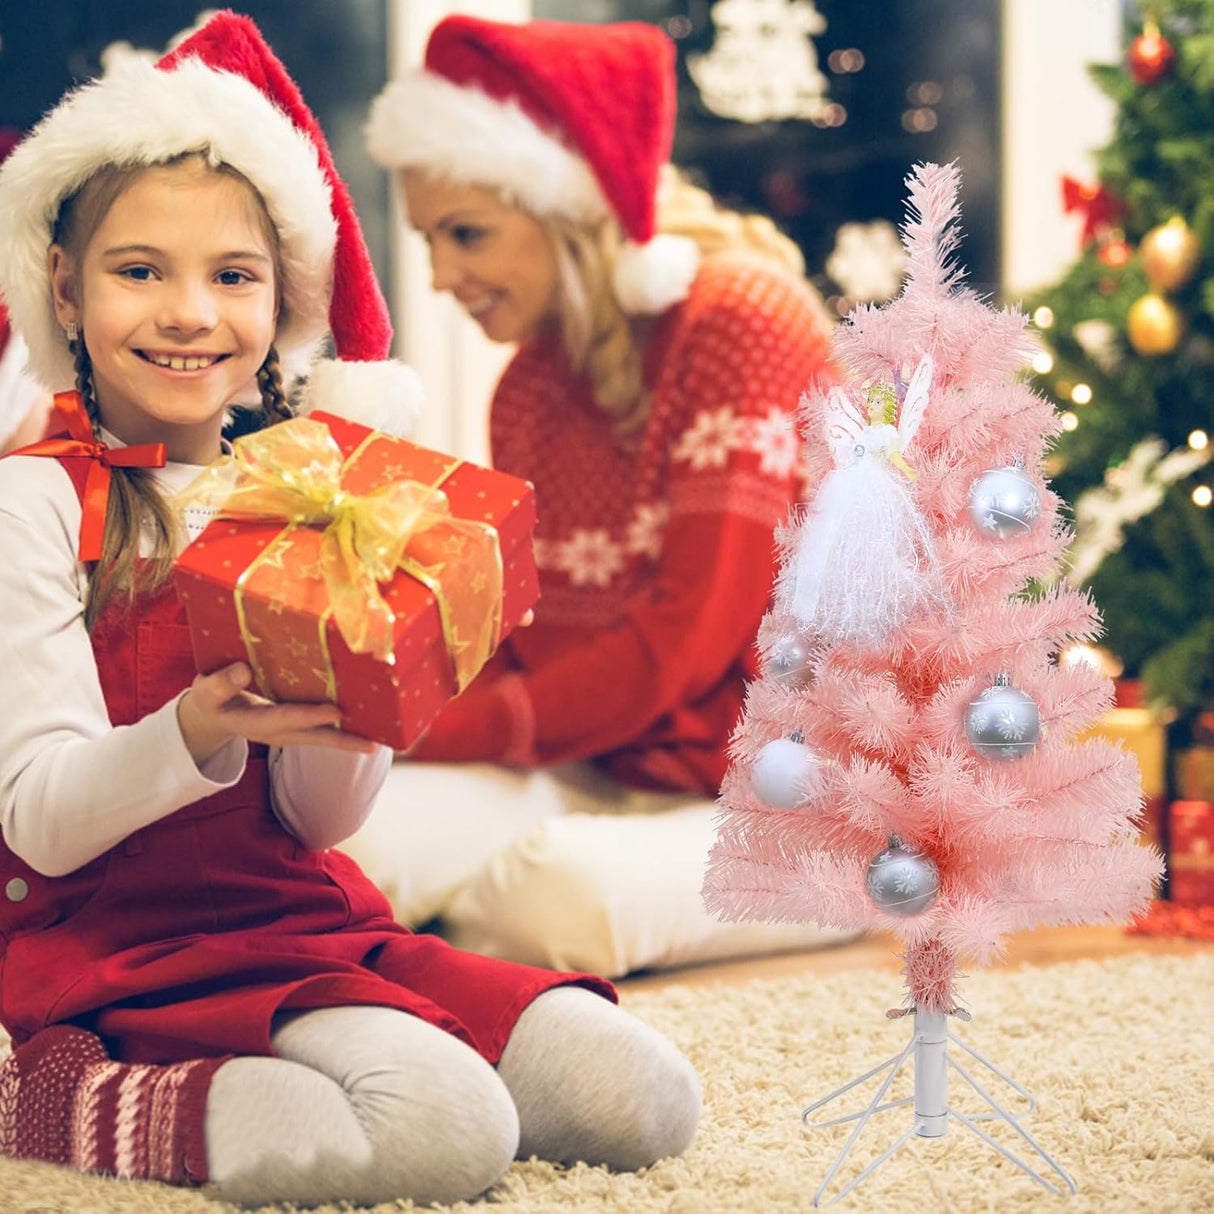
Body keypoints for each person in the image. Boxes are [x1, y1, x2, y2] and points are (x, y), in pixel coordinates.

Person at [0, 13, 699, 1207]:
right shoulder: (32, 497)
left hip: (298, 915)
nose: (189, 314)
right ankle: (49, 1088)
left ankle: (326, 1059)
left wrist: (366, 702)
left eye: (233, 277)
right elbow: (42, 822)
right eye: (139, 270)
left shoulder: (302, 491)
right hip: (111, 946)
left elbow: (319, 825)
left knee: (640, 1099)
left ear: (282, 302)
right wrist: (204, 728)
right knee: (441, 1133)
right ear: (63, 284)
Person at [348, 15, 851, 974]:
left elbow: (683, 637)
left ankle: (434, 952)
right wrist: (383, 712)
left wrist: (438, 731)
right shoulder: (529, 388)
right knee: (349, 846)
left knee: (563, 902)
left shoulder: (744, 320)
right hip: (617, 766)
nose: (444, 276)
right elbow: (528, 636)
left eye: (468, 235)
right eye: (430, 241)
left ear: (569, 207)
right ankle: (432, 940)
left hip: (800, 801)